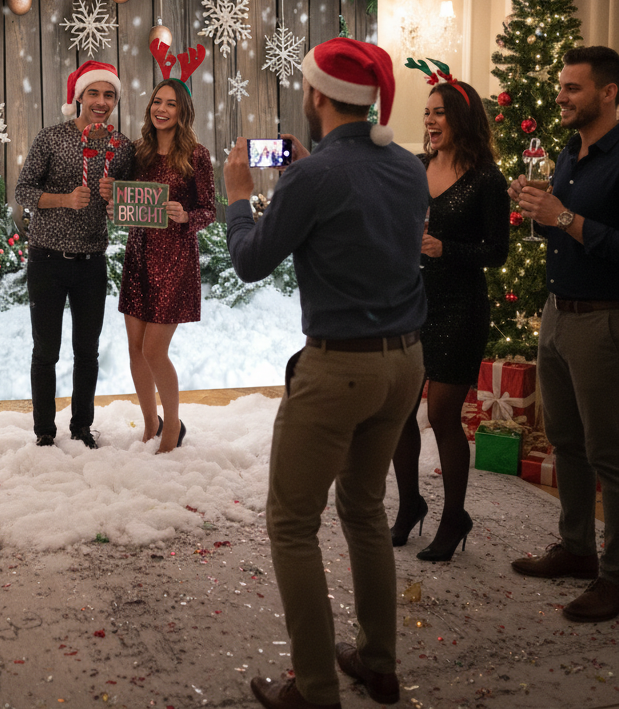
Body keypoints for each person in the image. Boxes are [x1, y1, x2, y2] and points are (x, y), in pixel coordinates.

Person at [225, 37, 428, 709]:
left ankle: (314, 691)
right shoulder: (407, 166)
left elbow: (252, 260)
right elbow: (358, 214)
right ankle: (378, 662)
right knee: (365, 508)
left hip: (339, 368)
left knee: (290, 523)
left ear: (315, 95)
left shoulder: (310, 177)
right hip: (405, 363)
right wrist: (305, 177)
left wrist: (236, 199)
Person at [509, 45, 619, 623]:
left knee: (609, 453)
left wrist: (565, 218)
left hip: (603, 318)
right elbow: (557, 226)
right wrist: (536, 208)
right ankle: (577, 550)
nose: (561, 97)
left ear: (608, 92)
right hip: (556, 311)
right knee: (567, 442)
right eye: (561, 87)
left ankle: (616, 576)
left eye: (574, 88)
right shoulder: (567, 152)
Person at [390, 71, 509, 561]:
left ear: (461, 118)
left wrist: (446, 248)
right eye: (427, 113)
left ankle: (454, 514)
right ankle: (410, 504)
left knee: (440, 413)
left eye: (439, 112)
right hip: (413, 302)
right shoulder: (416, 166)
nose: (430, 121)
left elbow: (496, 252)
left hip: (461, 307)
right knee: (399, 410)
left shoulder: (487, 179)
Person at [15, 60, 134, 449]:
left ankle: (82, 427)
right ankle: (44, 432)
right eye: (94, 93)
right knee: (45, 351)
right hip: (47, 259)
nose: (101, 101)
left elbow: (132, 203)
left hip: (91, 263)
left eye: (109, 94)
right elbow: (23, 192)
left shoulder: (121, 147)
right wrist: (64, 198)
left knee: (87, 351)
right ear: (79, 96)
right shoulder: (52, 138)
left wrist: (116, 194)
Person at [115, 79, 216, 453]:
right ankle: (149, 423)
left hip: (174, 260)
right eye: (157, 101)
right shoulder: (138, 152)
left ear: (183, 111)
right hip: (139, 255)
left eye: (171, 104)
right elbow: (126, 198)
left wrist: (185, 215)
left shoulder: (196, 156)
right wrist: (115, 202)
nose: (162, 109)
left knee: (155, 350)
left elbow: (210, 210)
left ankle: (172, 427)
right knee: (135, 349)